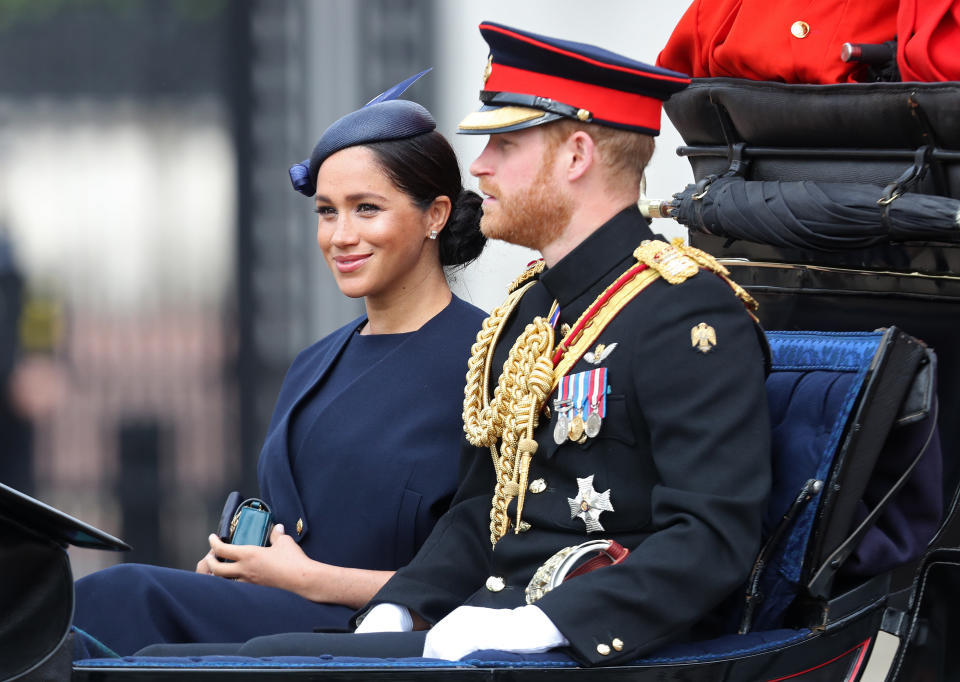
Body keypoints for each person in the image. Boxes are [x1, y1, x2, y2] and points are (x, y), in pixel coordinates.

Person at [140, 22, 772, 667]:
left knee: (230, 663)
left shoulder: (684, 310)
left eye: (504, 142)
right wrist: (401, 606)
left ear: (577, 155)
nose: (480, 166)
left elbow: (710, 535)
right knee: (159, 656)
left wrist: (550, 624)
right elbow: (482, 508)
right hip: (483, 632)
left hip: (592, 650)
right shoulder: (533, 307)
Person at [72, 71, 488, 656]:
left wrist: (305, 578)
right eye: (326, 212)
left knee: (124, 597)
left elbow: (492, 585)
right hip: (279, 625)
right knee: (91, 614)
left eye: (366, 209)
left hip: (378, 644)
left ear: (435, 215)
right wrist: (238, 567)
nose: (341, 236)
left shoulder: (486, 359)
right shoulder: (315, 362)